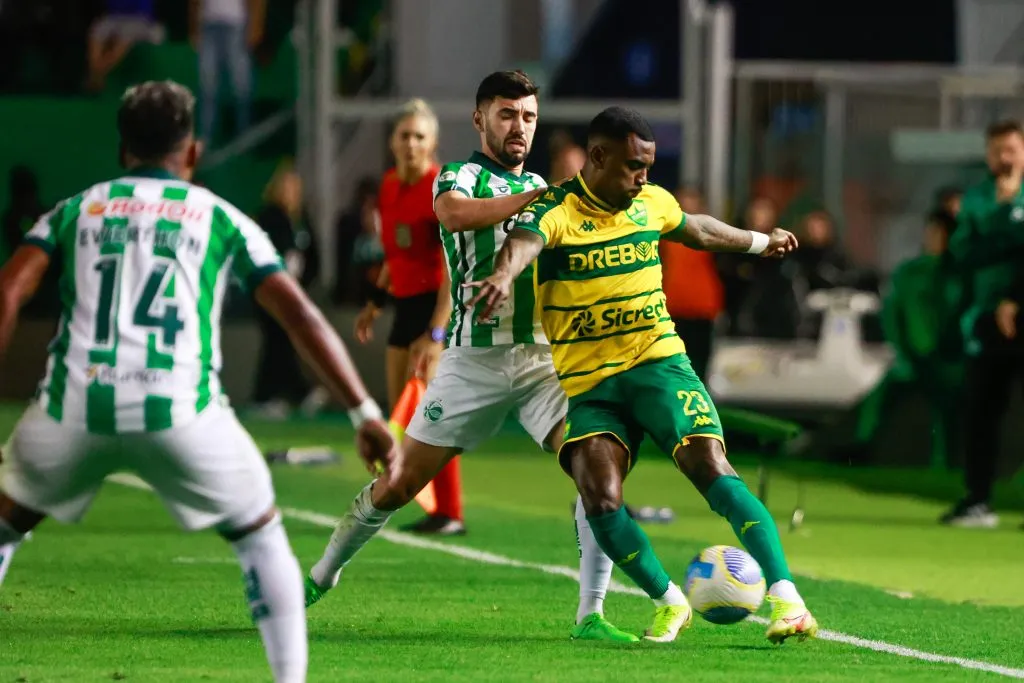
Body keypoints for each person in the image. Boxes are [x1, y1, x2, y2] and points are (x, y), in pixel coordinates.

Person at [0, 81, 399, 683]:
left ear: (121, 149)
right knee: (262, 537)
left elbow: (9, 291)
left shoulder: (78, 207)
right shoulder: (220, 217)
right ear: (192, 152)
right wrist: (363, 411)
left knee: (5, 523)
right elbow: (299, 315)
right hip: (181, 413)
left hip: (71, 409)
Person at [304, 71, 641, 643]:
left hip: (540, 362)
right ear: (480, 119)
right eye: (507, 114)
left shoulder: (541, 183)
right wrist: (543, 196)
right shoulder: (458, 176)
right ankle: (321, 573)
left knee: (597, 470)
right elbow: (455, 216)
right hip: (470, 362)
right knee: (399, 483)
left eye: (529, 116)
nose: (519, 126)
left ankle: (592, 615)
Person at [466, 106, 817, 644]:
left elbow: (696, 229)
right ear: (598, 157)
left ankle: (787, 599)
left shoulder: (651, 201)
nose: (644, 178)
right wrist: (503, 275)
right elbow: (524, 244)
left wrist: (759, 241)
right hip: (591, 388)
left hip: (657, 364)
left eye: (649, 167)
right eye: (634, 166)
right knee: (600, 498)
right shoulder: (557, 208)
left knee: (710, 466)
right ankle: (668, 601)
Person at [351, 98, 462, 534]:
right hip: (403, 307)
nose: (411, 143)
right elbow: (394, 255)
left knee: (434, 414)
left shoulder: (442, 188)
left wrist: (437, 332)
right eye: (404, 135)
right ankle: (407, 497)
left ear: (432, 143)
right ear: (393, 142)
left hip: (435, 310)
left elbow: (453, 268)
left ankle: (449, 512)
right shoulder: (389, 186)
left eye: (420, 136)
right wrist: (375, 304)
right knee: (402, 417)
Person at [942, 120, 1024, 527]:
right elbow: (963, 254)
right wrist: (1008, 233)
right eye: (997, 151)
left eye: (1010, 149)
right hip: (986, 319)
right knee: (982, 411)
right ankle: (978, 500)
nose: (1003, 158)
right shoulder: (976, 197)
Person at [848, 211, 963, 468]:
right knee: (879, 400)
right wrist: (903, 350)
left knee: (947, 409)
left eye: (941, 233)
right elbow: (892, 314)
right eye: (932, 232)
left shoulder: (957, 274)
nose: (935, 238)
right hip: (912, 355)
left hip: (944, 358)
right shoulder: (909, 273)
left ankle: (944, 461)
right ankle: (862, 447)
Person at [251, 160, 323, 418]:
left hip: (295, 292)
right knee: (277, 340)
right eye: (286, 187)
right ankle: (281, 395)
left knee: (284, 341)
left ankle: (285, 394)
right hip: (271, 291)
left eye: (294, 187)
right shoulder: (269, 216)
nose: (291, 192)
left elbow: (313, 255)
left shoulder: (301, 219)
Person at [659, 186, 723, 377]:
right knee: (675, 363)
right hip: (673, 309)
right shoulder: (664, 235)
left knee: (701, 363)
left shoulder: (712, 234)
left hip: (703, 309)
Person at [189, 0, 265, 144]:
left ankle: (244, 136)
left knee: (240, 86)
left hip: (235, 24)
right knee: (207, 86)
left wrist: (255, 24)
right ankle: (206, 138)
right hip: (208, 24)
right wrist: (194, 26)